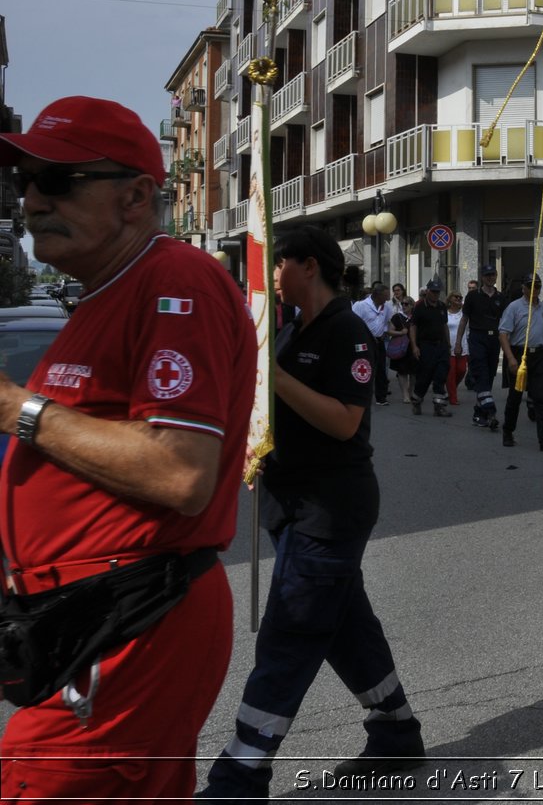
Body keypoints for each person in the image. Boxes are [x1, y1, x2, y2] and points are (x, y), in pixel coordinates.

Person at [0, 95, 255, 800]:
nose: (30, 200)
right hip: (92, 613)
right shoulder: (107, 289)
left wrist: (17, 408)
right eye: (22, 181)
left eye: (55, 181)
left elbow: (179, 471)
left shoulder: (175, 282)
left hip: (132, 611)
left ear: (136, 196)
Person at [202, 226, 425, 799]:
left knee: (290, 634)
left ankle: (239, 776)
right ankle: (396, 732)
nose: (274, 273)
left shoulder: (345, 330)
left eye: (281, 263)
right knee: (346, 627)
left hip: (329, 508)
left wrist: (274, 378)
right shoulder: (288, 328)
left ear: (309, 266)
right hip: (292, 503)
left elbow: (346, 420)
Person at [499, 274, 543, 453]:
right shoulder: (514, 307)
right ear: (523, 288)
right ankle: (508, 432)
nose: (535, 290)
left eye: (538, 287)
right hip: (519, 355)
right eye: (530, 286)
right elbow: (503, 334)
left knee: (540, 398)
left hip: (538, 355)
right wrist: (510, 359)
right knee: (515, 398)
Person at [458, 264, 507, 428]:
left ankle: (479, 414)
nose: (490, 278)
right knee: (481, 374)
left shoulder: (501, 297)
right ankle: (490, 411)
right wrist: (458, 343)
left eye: (492, 275)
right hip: (477, 338)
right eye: (487, 275)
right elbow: (464, 319)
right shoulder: (473, 296)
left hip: (494, 340)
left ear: (496, 276)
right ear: (482, 277)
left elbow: (506, 323)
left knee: (490, 375)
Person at [408, 279, 453, 418]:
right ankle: (416, 400)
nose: (435, 294)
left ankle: (439, 407)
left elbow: (444, 325)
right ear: (427, 291)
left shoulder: (441, 306)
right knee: (424, 376)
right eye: (433, 291)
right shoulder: (420, 307)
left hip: (441, 346)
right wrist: (414, 346)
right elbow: (413, 327)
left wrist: (448, 343)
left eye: (437, 292)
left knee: (441, 375)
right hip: (426, 346)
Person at [353, 281, 395, 406]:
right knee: (363, 368)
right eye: (385, 296)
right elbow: (354, 323)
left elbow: (388, 321)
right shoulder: (361, 305)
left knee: (381, 369)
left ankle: (381, 397)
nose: (388, 298)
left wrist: (386, 332)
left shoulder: (386, 307)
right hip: (364, 342)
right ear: (377, 295)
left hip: (379, 341)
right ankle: (360, 395)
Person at [387, 309, 414, 405]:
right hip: (401, 348)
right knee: (402, 371)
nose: (404, 306)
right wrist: (401, 333)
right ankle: (405, 394)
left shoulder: (415, 316)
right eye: (403, 304)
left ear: (411, 305)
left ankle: (411, 392)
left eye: (407, 304)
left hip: (413, 347)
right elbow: (389, 331)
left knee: (414, 372)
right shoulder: (397, 317)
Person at [446, 291, 469, 405]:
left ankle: (451, 389)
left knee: (461, 370)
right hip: (449, 347)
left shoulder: (464, 314)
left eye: (460, 297)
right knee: (451, 372)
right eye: (456, 297)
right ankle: (453, 398)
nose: (459, 299)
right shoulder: (445, 313)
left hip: (462, 346)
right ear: (450, 299)